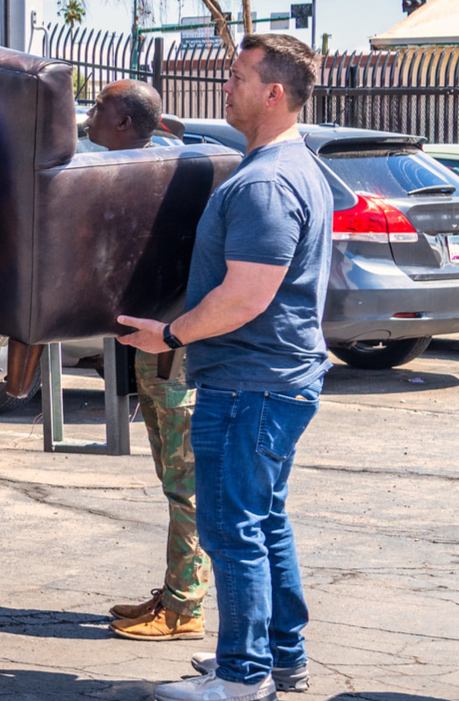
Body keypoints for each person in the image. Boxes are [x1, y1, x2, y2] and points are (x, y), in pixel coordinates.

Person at [118, 34, 331, 701]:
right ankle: (281, 658)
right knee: (262, 520)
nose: (226, 86)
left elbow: (246, 296)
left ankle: (243, 677)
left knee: (231, 528)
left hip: (249, 383)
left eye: (238, 77)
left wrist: (172, 334)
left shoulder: (268, 180)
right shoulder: (284, 165)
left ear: (274, 92)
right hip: (269, 380)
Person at [87, 80, 213, 643]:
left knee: (185, 483)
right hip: (156, 348)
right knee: (173, 479)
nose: (89, 115)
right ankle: (178, 587)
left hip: (173, 351)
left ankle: (185, 607)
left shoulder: (143, 174)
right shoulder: (162, 162)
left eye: (99, 108)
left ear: (123, 124)